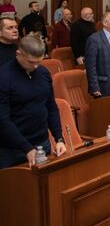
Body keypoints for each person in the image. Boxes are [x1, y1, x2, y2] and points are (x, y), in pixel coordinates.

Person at [0, 36, 66, 168]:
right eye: (31, 62)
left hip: (42, 143)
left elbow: (51, 107)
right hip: (12, 149)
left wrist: (59, 138)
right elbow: (2, 120)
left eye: (39, 62)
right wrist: (27, 148)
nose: (36, 66)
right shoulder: (4, 77)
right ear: (18, 54)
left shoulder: (43, 73)